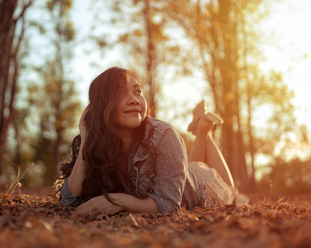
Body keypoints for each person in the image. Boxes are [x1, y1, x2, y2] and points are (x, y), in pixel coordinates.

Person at [58, 67, 248, 216]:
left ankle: (204, 131)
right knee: (188, 169)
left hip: (203, 188)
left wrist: (117, 201)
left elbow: (169, 204)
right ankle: (201, 129)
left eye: (138, 91)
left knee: (232, 192)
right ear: (102, 105)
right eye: (120, 93)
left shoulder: (164, 134)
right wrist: (86, 139)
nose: (134, 100)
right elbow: (68, 200)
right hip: (183, 174)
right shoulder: (96, 142)